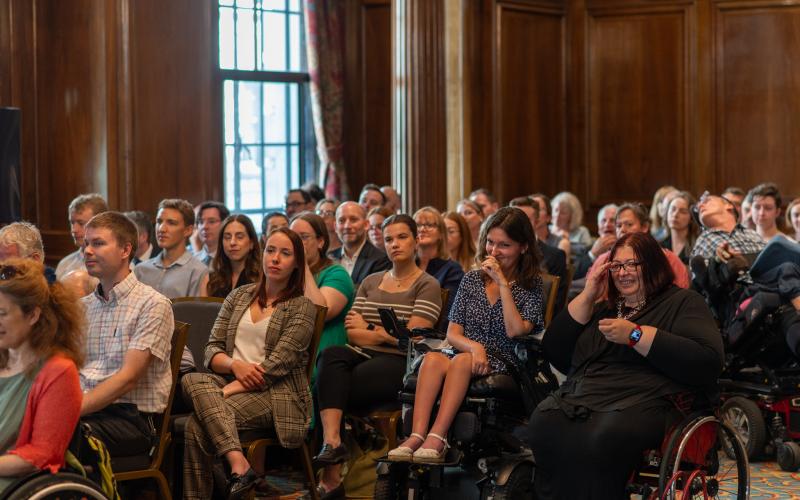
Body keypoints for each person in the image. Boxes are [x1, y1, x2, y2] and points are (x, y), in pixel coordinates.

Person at [526, 232, 724, 498]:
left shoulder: (683, 302)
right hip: (590, 393)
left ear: (652, 265)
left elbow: (708, 360)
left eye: (632, 264)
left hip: (650, 397)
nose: (623, 273)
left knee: (602, 434)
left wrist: (636, 336)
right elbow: (555, 350)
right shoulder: (607, 307)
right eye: (617, 266)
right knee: (544, 420)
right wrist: (588, 294)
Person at [387, 207, 544, 462]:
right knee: (434, 359)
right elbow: (453, 332)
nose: (494, 251)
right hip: (464, 350)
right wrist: (474, 348)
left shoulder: (531, 284)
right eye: (490, 242)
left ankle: (438, 436)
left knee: (459, 361)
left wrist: (503, 284)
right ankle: (417, 434)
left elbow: (516, 331)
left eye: (504, 245)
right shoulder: (471, 279)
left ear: (523, 247)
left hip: (504, 358)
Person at [181, 228, 317, 500]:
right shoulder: (239, 296)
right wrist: (235, 366)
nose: (275, 259)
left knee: (196, 426)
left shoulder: (302, 307)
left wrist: (226, 391)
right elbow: (211, 352)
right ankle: (239, 464)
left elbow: (278, 365)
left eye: (285, 253)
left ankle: (218, 481)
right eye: (271, 251)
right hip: (229, 379)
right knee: (190, 379)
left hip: (276, 393)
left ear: (297, 264)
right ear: (262, 254)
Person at [314, 215, 442, 498]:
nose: (394, 244)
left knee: (328, 385)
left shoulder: (427, 284)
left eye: (402, 237)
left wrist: (376, 331)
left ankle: (333, 472)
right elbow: (352, 332)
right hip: (363, 354)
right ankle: (333, 442)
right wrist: (384, 334)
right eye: (388, 239)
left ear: (416, 240)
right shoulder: (371, 281)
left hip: (403, 363)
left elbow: (411, 339)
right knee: (330, 355)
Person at [79, 211, 174, 460]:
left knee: (56, 435)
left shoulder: (153, 304)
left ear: (125, 250)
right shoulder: (83, 307)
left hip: (131, 420)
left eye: (98, 243)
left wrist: (70, 410)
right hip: (87, 411)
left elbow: (128, 378)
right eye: (85, 243)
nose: (87, 250)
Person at [0, 259, 84, 491]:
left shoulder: (58, 371)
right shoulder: (3, 359)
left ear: (33, 315)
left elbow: (40, 455)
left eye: (2, 313)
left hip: (15, 484)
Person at [289, 212, 355, 369]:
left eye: (303, 237)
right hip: (289, 353)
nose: (296, 244)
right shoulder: (288, 275)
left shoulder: (337, 273)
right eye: (293, 238)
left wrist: (303, 264)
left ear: (320, 241)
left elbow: (320, 313)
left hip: (322, 360)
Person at [585, 203, 690, 297]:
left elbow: (680, 297)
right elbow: (590, 295)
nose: (622, 229)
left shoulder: (667, 257)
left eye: (629, 224)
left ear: (644, 227)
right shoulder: (604, 259)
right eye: (618, 225)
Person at [134, 198, 209, 298]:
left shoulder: (197, 271)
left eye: (171, 223)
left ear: (188, 230)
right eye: (159, 222)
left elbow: (196, 312)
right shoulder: (141, 269)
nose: (161, 229)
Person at [508, 198, 568, 312]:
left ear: (536, 222)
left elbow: (556, 306)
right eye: (513, 220)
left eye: (525, 220)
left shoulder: (555, 256)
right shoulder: (500, 253)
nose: (518, 226)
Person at [413, 207, 465, 324]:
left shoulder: (452, 270)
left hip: (435, 335)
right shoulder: (407, 265)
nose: (422, 229)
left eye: (429, 225)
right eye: (418, 225)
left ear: (441, 234)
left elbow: (449, 314)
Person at [329, 202, 391, 285]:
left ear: (366, 224)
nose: (347, 226)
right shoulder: (328, 258)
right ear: (335, 227)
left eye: (353, 220)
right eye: (341, 221)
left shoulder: (381, 260)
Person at [691, 191, 765, 261]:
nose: (700, 206)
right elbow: (699, 272)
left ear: (728, 206)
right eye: (698, 209)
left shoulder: (752, 233)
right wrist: (717, 261)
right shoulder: (704, 240)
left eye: (706, 201)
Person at [205, 215, 262, 298]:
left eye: (239, 237)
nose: (232, 242)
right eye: (227, 237)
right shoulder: (210, 280)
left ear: (251, 243)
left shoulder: (262, 278)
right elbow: (203, 310)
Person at [56, 193, 108, 280]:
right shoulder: (64, 265)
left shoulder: (116, 265)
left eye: (81, 223)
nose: (74, 230)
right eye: (72, 223)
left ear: (102, 224)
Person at [660, 191, 699, 264]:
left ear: (691, 218)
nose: (675, 215)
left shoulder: (698, 245)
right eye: (673, 209)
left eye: (683, 211)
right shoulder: (660, 245)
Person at [530, 193, 571, 258]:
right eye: (532, 209)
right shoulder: (520, 242)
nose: (535, 213)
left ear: (548, 217)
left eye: (539, 209)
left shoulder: (561, 243)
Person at [195, 201, 231, 267]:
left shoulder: (233, 261)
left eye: (211, 221)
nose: (204, 227)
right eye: (201, 222)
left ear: (225, 224)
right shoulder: (192, 261)